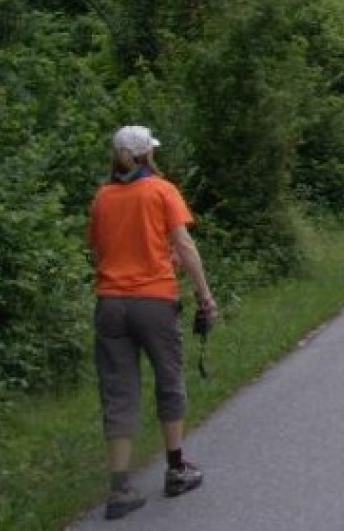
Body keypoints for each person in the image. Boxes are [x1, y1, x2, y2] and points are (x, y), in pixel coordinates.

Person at [87, 125, 218, 520]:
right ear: (147, 155)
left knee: (118, 390)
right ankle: (176, 469)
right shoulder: (162, 190)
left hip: (110, 303)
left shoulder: (102, 197)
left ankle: (120, 488)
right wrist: (205, 296)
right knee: (169, 379)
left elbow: (98, 252)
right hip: (155, 301)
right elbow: (184, 244)